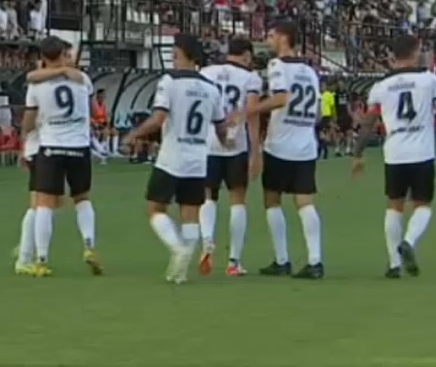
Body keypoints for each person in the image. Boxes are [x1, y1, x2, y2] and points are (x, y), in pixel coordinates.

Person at [352, 34, 436, 278]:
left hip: (394, 153)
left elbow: (368, 123)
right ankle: (409, 241)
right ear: (416, 52)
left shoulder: (380, 87)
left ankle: (394, 264)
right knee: (423, 205)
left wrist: (357, 153)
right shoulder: (429, 81)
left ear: (392, 55)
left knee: (394, 206)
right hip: (422, 153)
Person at [125, 34, 228, 284]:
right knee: (190, 213)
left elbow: (159, 118)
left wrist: (134, 134)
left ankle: (177, 249)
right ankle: (180, 271)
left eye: (175, 56)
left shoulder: (170, 81)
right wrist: (226, 143)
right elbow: (221, 127)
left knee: (155, 209)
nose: (173, 60)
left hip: (172, 157)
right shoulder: (211, 88)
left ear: (186, 56)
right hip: (198, 159)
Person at [246, 20, 324, 280]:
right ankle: (315, 260)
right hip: (306, 145)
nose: (268, 40)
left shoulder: (277, 66)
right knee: (304, 201)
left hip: (280, 144)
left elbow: (282, 97)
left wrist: (251, 109)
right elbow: (317, 115)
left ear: (283, 38)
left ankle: (282, 260)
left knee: (272, 198)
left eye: (271, 35)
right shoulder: (311, 72)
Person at [20, 37, 98, 278]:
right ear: (63, 54)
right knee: (82, 198)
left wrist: (25, 137)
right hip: (79, 146)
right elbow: (95, 110)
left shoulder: (36, 85)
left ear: (43, 57)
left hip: (51, 146)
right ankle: (89, 245)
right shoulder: (82, 79)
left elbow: (29, 121)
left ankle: (41, 259)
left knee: (43, 203)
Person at [196, 36, 263, 277]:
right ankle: (234, 261)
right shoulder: (251, 78)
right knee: (237, 199)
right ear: (246, 55)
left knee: (207, 196)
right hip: (236, 144)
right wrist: (256, 152)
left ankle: (207, 243)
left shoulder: (206, 72)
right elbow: (253, 113)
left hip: (208, 141)